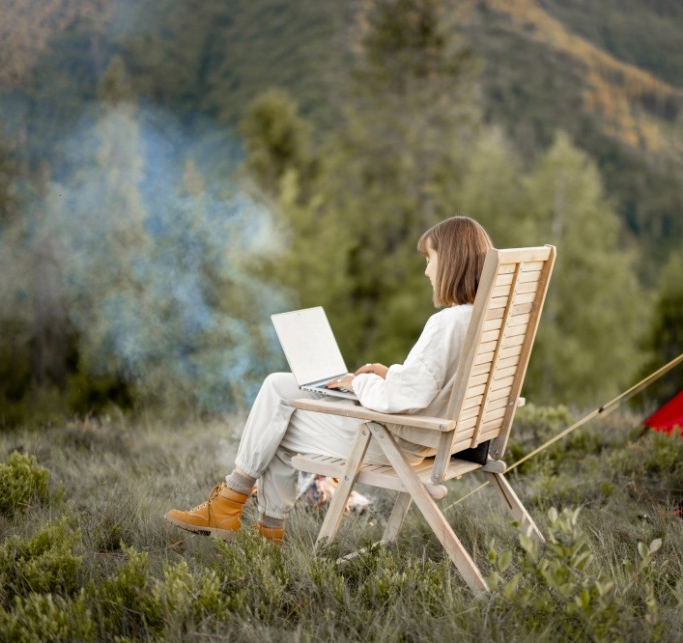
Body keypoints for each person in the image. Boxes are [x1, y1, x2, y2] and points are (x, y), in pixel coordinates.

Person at [165, 216, 493, 543]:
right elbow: (432, 384)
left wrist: (356, 384)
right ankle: (259, 524)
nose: (426, 271)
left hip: (395, 443)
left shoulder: (446, 323)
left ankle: (238, 510)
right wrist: (388, 373)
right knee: (280, 387)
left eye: (429, 259)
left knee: (280, 416)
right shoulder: (484, 318)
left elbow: (402, 398)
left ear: (451, 261)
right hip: (429, 438)